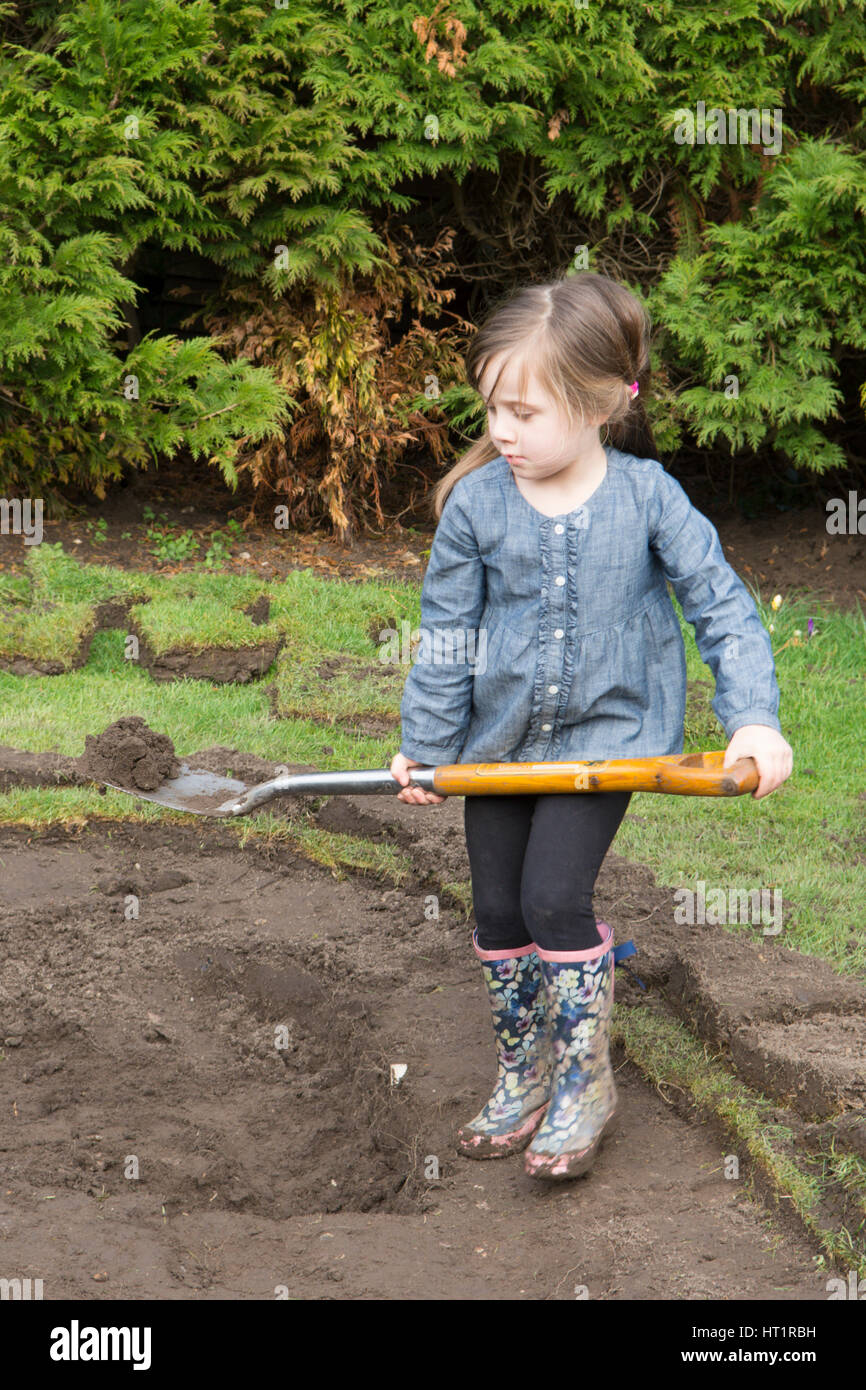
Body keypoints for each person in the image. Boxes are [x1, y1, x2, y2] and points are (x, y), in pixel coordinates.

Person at [389, 272, 793, 1182]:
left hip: (606, 753)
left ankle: (585, 1082)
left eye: (525, 412)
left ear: (602, 402)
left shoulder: (649, 499)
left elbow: (723, 610)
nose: (501, 431)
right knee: (496, 909)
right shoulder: (477, 507)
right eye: (492, 406)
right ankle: (525, 1072)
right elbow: (447, 638)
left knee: (552, 899)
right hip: (494, 753)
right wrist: (427, 746)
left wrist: (754, 722)